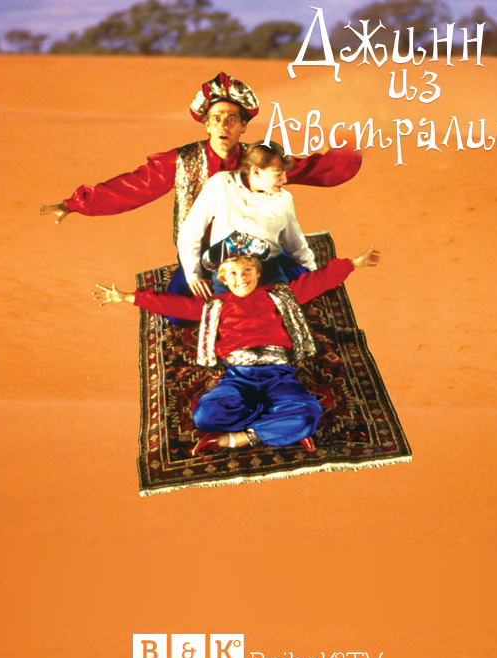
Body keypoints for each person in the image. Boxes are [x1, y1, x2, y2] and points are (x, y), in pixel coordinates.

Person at [40, 71, 362, 297]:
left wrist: (353, 150)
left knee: (299, 288)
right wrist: (75, 203)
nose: (223, 126)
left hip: (257, 253)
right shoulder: (181, 160)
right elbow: (136, 185)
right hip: (204, 254)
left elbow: (308, 168)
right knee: (179, 313)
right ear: (207, 124)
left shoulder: (257, 159)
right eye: (216, 119)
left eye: (231, 119)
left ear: (243, 126)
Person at [93, 245, 379, 455]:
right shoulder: (215, 305)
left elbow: (318, 282)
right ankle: (277, 424)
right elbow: (174, 305)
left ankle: (239, 438)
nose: (241, 277)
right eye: (232, 273)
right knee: (205, 416)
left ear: (257, 273)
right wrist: (127, 297)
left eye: (247, 271)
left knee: (309, 412)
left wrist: (353, 263)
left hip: (279, 375)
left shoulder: (278, 295)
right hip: (239, 378)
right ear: (223, 279)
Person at [178, 141, 318, 298]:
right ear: (256, 171)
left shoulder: (284, 200)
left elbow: (295, 242)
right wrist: (194, 275)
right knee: (216, 308)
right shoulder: (221, 184)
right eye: (278, 173)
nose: (284, 180)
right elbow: (191, 231)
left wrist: (313, 272)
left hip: (268, 269)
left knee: (287, 303)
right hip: (227, 268)